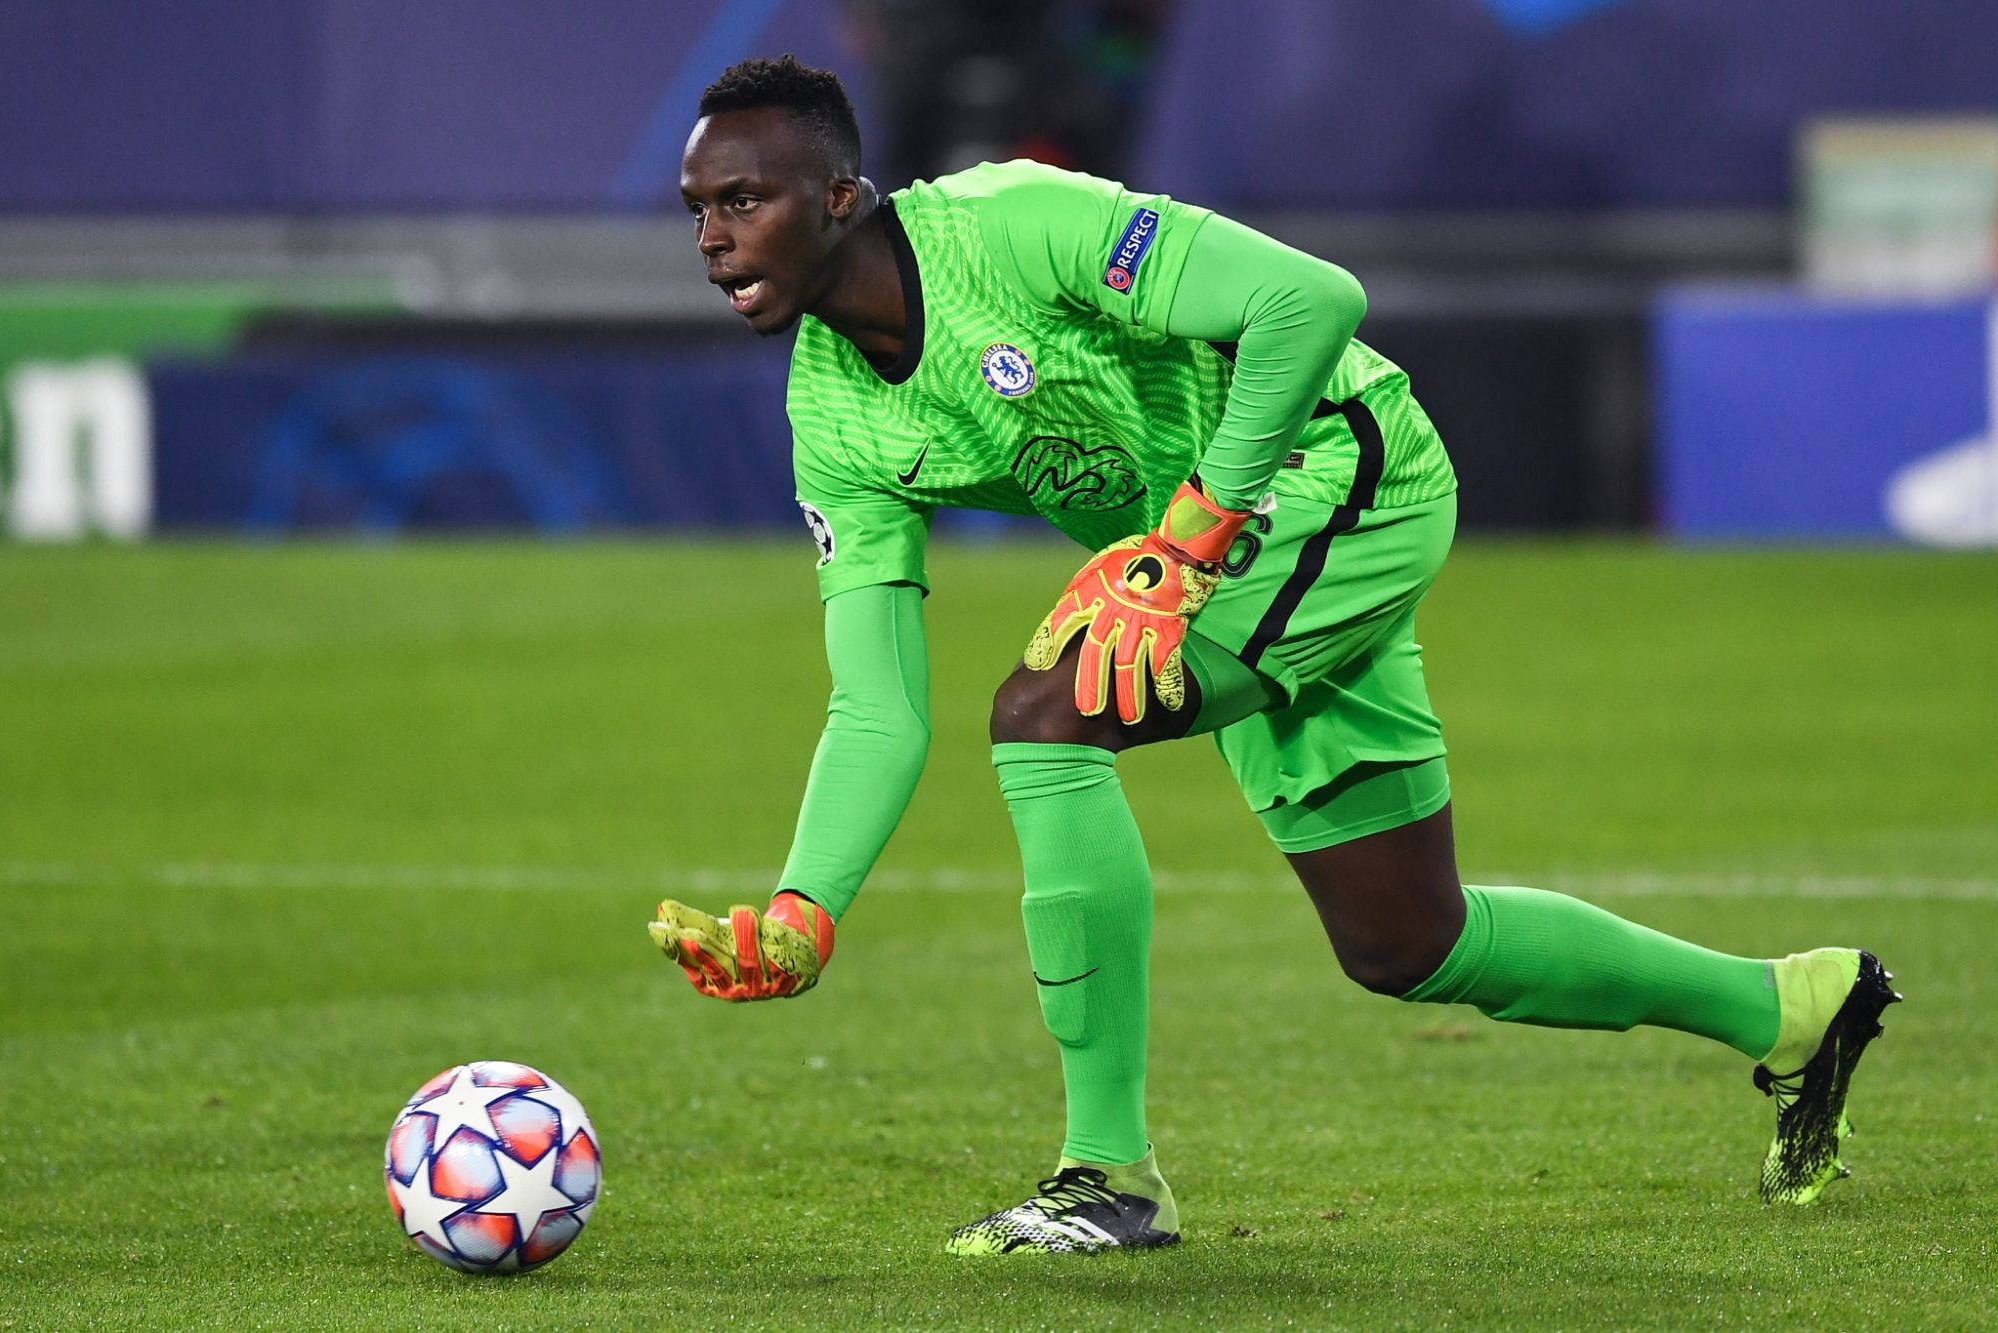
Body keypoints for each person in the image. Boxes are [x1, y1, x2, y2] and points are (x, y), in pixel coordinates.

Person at [647, 55, 1898, 1255]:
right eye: (699, 209)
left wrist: (1187, 537)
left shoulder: (1010, 223)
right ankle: (1792, 1007)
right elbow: (874, 706)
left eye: (743, 201)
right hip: (1219, 568)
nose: (712, 238)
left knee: (1046, 713)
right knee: (1407, 941)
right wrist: (806, 909)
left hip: (1341, 471)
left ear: (840, 196)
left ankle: (1109, 1175)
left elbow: (1309, 300)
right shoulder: (831, 418)